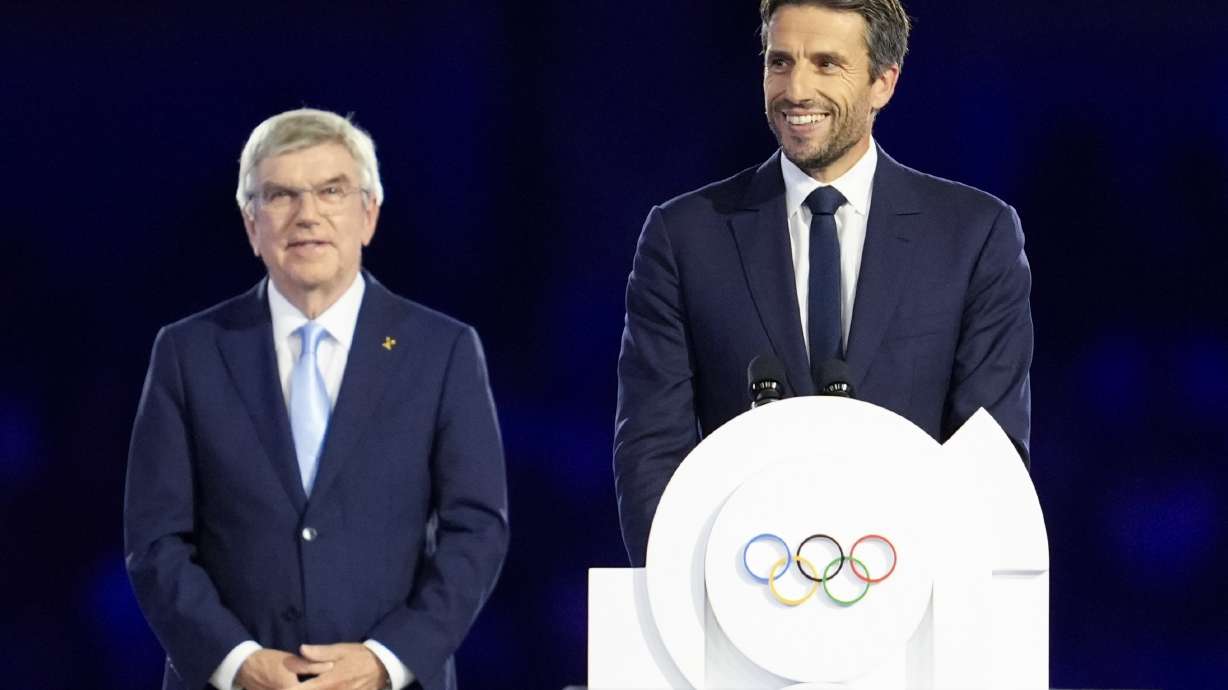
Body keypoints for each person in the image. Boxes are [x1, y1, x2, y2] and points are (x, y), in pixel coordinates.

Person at [613, 0, 1033, 566]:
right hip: (736, 604)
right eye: (780, 61)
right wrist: (691, 595)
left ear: (883, 82)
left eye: (827, 64)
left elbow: (988, 456)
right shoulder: (685, 237)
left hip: (911, 614)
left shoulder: (973, 235)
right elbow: (650, 451)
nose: (796, 90)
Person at [124, 109, 508, 690]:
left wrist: (386, 659)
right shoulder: (188, 353)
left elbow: (477, 528)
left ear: (369, 214)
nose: (307, 215)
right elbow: (156, 539)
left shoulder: (442, 350)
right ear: (251, 224)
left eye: (331, 190)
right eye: (280, 195)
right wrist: (237, 661)